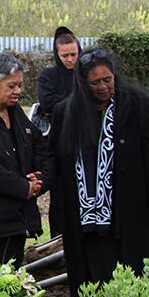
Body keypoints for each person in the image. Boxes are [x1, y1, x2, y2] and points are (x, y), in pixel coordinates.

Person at [50, 48, 149, 297]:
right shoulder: (66, 111)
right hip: (86, 212)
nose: (104, 87)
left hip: (131, 204)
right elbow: (54, 159)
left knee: (135, 262)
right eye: (96, 83)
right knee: (93, 266)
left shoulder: (135, 104)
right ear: (83, 83)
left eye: (108, 79)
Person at [0, 53, 51, 268]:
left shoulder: (17, 116)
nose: (18, 91)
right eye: (12, 86)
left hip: (16, 223)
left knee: (11, 285)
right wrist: (22, 187)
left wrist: (40, 180)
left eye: (20, 85)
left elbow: (41, 149)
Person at [38, 26, 81, 237]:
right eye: (65, 55)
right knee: (60, 199)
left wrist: (61, 106)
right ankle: (57, 240)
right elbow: (47, 104)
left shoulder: (86, 74)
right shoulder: (49, 75)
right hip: (60, 145)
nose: (70, 59)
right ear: (57, 54)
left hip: (85, 143)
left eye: (74, 54)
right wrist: (78, 103)